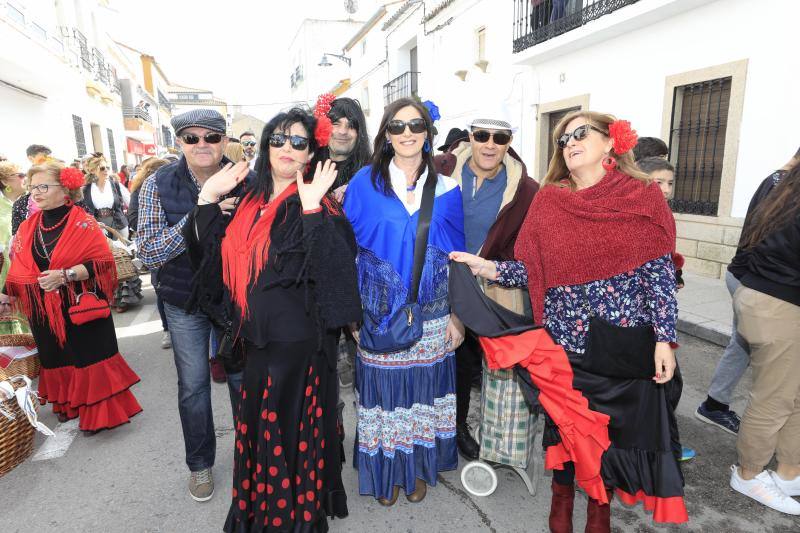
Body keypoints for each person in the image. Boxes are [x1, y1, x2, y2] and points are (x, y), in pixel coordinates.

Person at [452, 111, 688, 530]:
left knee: (610, 441)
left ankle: (600, 511)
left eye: (581, 133)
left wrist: (664, 339)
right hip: (564, 346)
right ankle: (560, 498)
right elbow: (533, 270)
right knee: (564, 430)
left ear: (610, 141)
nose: (570, 142)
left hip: (621, 348)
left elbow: (659, 274)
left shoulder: (642, 196)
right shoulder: (550, 200)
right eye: (563, 138)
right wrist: (487, 268)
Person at [185, 106, 360, 532]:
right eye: (278, 139)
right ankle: (263, 514)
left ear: (310, 153)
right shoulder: (248, 201)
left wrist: (312, 210)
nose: (287, 147)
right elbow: (208, 262)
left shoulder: (320, 204)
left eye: (298, 142)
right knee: (262, 434)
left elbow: (337, 281)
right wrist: (206, 200)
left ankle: (293, 520)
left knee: (290, 436)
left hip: (299, 349)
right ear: (266, 148)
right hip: (256, 344)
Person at [344, 97, 466, 506]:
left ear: (428, 134)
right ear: (386, 135)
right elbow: (345, 252)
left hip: (433, 315)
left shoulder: (448, 189)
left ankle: (414, 470)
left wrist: (459, 318)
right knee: (384, 397)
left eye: (416, 125)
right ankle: (385, 474)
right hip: (378, 314)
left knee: (421, 398)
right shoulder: (363, 184)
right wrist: (351, 316)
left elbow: (459, 259)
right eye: (397, 126)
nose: (407, 133)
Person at [137, 109, 249, 502]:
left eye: (211, 137)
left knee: (243, 381)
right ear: (179, 142)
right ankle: (200, 465)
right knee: (194, 386)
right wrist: (201, 213)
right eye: (191, 137)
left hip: (234, 299)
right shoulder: (158, 183)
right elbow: (149, 251)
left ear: (224, 140)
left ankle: (251, 458)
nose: (202, 144)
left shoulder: (248, 179)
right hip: (184, 301)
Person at [1, 162, 141, 432]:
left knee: (89, 357)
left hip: (80, 302)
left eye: (43, 187)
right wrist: (5, 295)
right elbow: (20, 266)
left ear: (66, 189)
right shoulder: (29, 227)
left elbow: (101, 263)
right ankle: (70, 403)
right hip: (44, 307)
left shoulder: (83, 222)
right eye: (32, 187)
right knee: (55, 357)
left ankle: (99, 415)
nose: (35, 193)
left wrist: (65, 275)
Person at [434, 111, 538, 462]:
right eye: (482, 136)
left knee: (474, 361)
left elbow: (530, 243)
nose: (490, 145)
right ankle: (434, 426)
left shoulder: (525, 189)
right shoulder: (441, 170)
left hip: (488, 285)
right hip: (437, 279)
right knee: (438, 358)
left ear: (509, 143)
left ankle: (465, 427)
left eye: (500, 138)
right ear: (470, 137)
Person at [697, 148, 800, 435]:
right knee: (753, 348)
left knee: (742, 343)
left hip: (747, 275)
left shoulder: (777, 180)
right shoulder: (784, 184)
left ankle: (715, 404)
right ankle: (718, 406)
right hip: (753, 278)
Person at [727, 162, 800, 515]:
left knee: (793, 396)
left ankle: (789, 473)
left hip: (770, 298)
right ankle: (748, 474)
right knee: (774, 399)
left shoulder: (784, 189)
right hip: (779, 304)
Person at [82, 153, 141, 312]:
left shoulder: (116, 185)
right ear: (92, 170)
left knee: (121, 257)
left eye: (107, 167)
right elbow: (81, 210)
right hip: (97, 227)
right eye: (102, 168)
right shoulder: (86, 189)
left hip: (119, 224)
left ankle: (123, 299)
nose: (106, 170)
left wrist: (134, 221)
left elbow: (131, 202)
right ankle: (110, 296)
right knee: (104, 261)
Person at [126, 157, 171, 349]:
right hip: (156, 248)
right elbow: (133, 218)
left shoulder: (175, 187)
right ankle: (167, 329)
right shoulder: (141, 190)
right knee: (161, 289)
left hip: (175, 246)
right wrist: (154, 226)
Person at [0, 162, 30, 334]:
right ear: (5, 181)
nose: (24, 178)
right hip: (3, 270)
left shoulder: (25, 202)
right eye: (20, 175)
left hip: (22, 268)